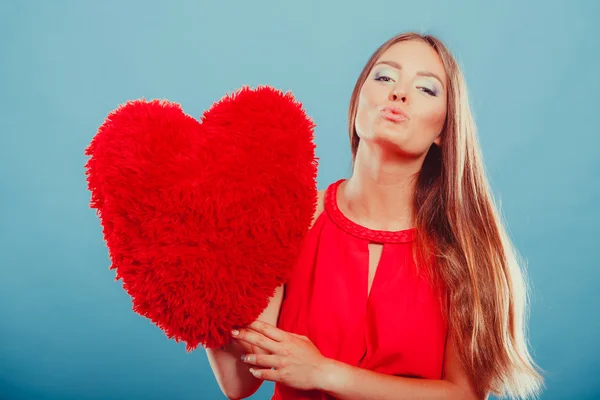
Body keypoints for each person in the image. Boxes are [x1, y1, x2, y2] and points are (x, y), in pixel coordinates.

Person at [205, 31, 545, 400]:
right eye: (384, 77)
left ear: (444, 131)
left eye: (426, 89)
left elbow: (463, 395)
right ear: (357, 103)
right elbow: (239, 383)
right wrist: (203, 274)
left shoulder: (465, 250)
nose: (398, 92)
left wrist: (324, 373)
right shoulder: (290, 218)